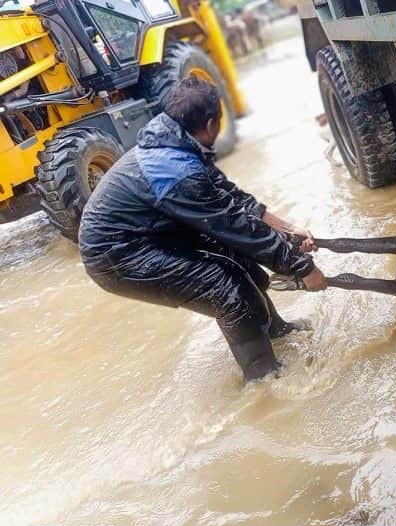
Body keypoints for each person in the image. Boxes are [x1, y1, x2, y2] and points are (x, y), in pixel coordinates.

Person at [79, 76, 327, 381]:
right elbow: (235, 226)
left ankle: (274, 331)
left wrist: (288, 230)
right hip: (118, 257)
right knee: (229, 292)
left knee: (241, 262)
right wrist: (302, 266)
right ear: (211, 123)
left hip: (151, 233)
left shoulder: (177, 141)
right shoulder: (178, 171)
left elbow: (230, 198)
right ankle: (264, 379)